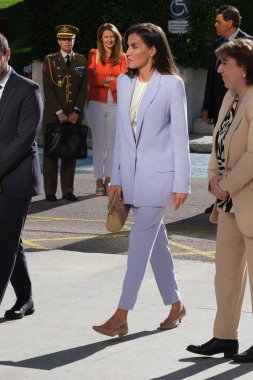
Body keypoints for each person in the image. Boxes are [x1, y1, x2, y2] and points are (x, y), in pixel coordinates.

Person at [92, 23, 191, 338]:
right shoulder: (123, 81)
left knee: (138, 242)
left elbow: (180, 138)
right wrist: (117, 177)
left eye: (135, 46)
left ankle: (121, 314)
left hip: (161, 179)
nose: (128, 52)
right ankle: (176, 304)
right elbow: (122, 136)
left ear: (153, 50)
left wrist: (182, 184)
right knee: (156, 243)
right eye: (128, 46)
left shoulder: (172, 85)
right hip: (131, 178)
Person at [187, 38, 253, 363]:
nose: (219, 70)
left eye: (225, 64)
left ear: (244, 67)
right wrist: (214, 179)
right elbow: (218, 145)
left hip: (248, 200)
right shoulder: (230, 96)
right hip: (228, 204)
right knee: (225, 274)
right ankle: (225, 337)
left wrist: (226, 183)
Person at [0, 33, 43, 319]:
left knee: (3, 245)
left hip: (16, 180)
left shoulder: (28, 89)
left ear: (7, 54)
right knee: (11, 239)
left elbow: (23, 139)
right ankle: (25, 298)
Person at [202, 5, 252, 214]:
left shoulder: (249, 44)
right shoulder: (217, 45)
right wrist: (207, 106)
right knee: (222, 145)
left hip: (245, 203)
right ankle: (218, 198)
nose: (215, 25)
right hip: (224, 104)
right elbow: (211, 78)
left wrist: (225, 186)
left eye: (218, 21)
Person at [43, 25, 87, 202]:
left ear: (74, 40)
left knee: (70, 152)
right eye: (64, 39)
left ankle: (68, 190)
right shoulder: (50, 60)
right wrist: (59, 112)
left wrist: (76, 111)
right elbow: (48, 88)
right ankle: (50, 192)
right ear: (58, 41)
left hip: (73, 114)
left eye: (70, 39)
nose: (67, 42)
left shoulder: (82, 60)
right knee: (51, 154)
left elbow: (84, 88)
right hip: (54, 115)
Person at [86, 23, 127, 196]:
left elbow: (125, 78)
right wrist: (113, 79)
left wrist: (106, 79)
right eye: (106, 36)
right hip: (96, 103)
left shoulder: (123, 57)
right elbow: (92, 78)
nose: (109, 39)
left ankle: (108, 179)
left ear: (116, 38)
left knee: (111, 145)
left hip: (116, 104)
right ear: (101, 39)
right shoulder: (93, 54)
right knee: (98, 144)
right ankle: (98, 180)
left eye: (112, 36)